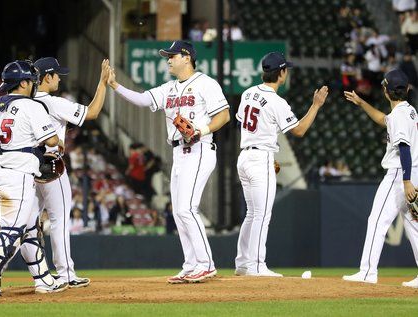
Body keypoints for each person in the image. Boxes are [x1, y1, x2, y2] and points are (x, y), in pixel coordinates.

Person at [107, 40, 230, 283]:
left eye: (172, 56)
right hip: (178, 152)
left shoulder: (206, 84)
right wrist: (114, 85)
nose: (168, 60)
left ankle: (206, 263)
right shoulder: (169, 88)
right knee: (179, 212)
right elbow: (143, 100)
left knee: (187, 209)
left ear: (187, 57)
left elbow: (224, 116)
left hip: (199, 148)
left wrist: (201, 130)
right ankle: (191, 264)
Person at [234, 52, 328, 276]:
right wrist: (315, 105)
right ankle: (257, 265)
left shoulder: (248, 93)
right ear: (282, 73)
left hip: (245, 156)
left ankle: (242, 263)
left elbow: (243, 123)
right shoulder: (277, 102)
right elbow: (299, 130)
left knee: (251, 213)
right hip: (259, 159)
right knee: (261, 215)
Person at [19, 57, 110, 289]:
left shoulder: (21, 103)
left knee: (26, 226)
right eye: (57, 74)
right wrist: (102, 82)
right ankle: (65, 274)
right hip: (51, 168)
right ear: (47, 77)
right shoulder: (52, 102)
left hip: (25, 170)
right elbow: (92, 112)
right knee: (59, 221)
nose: (59, 78)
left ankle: (40, 277)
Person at [343, 69, 418, 287]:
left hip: (399, 174)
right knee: (413, 225)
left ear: (386, 91)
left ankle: (367, 273)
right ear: (406, 90)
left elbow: (403, 148)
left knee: (377, 220)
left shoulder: (399, 116)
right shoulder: (410, 111)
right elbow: (383, 119)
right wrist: (361, 102)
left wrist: (405, 182)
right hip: (413, 171)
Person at [0, 60, 66, 295]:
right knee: (12, 231)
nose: (34, 85)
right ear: (24, 83)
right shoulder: (31, 106)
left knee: (28, 229)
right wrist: (50, 144)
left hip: (1, 170)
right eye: (32, 81)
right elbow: (53, 141)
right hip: (18, 176)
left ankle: (43, 280)